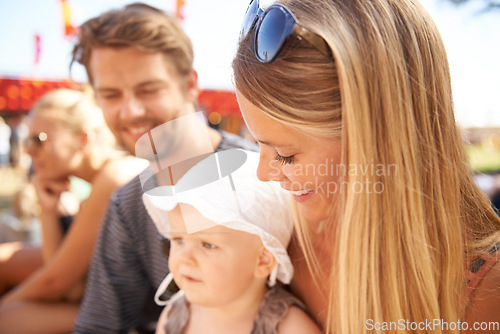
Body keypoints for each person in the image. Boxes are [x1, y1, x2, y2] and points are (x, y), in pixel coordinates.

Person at [232, 0, 500, 333]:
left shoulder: (485, 293)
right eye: (259, 143)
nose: (263, 173)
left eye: (286, 154)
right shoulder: (280, 240)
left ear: (379, 139)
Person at [70, 3, 258, 333]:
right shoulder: (128, 205)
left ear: (189, 83)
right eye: (111, 95)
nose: (130, 111)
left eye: (149, 89)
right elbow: (101, 324)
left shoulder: (260, 177)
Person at [0, 88, 149, 334]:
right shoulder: (97, 182)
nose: (28, 150)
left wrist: (6, 304)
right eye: (28, 141)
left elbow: (58, 284)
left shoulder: (115, 178)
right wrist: (48, 211)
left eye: (39, 139)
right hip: (99, 299)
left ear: (83, 139)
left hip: (131, 316)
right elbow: (62, 278)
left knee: (5, 319)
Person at [143, 149, 321, 334]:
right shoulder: (174, 316)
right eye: (179, 240)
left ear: (262, 260)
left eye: (208, 245)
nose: (185, 257)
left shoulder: (289, 328)